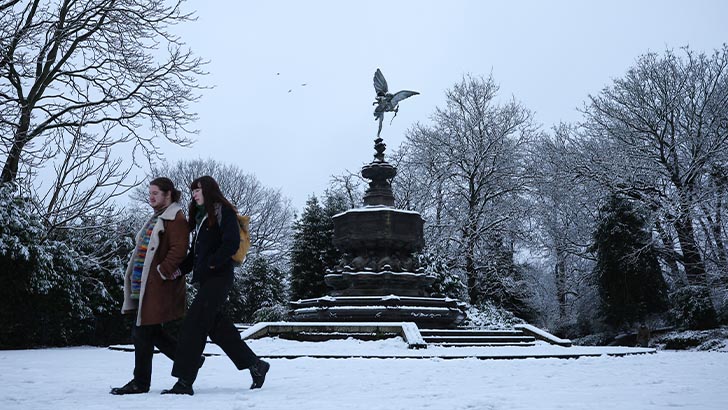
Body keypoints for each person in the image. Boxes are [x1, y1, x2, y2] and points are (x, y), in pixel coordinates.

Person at [162, 175, 269, 396]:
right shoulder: (203, 219)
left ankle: (184, 381)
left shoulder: (224, 212)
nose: (194, 194)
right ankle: (255, 365)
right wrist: (180, 269)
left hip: (219, 278)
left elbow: (231, 243)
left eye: (198, 190)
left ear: (209, 190)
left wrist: (212, 264)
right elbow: (194, 255)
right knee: (218, 328)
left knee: (194, 324)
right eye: (192, 191)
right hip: (208, 280)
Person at [111, 177, 192, 395]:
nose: (151, 197)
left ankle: (140, 382)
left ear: (168, 194)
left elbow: (179, 249)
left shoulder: (175, 218)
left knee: (141, 333)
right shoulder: (158, 216)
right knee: (150, 333)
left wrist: (162, 272)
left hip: (157, 287)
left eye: (156, 193)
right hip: (144, 286)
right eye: (150, 193)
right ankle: (189, 359)